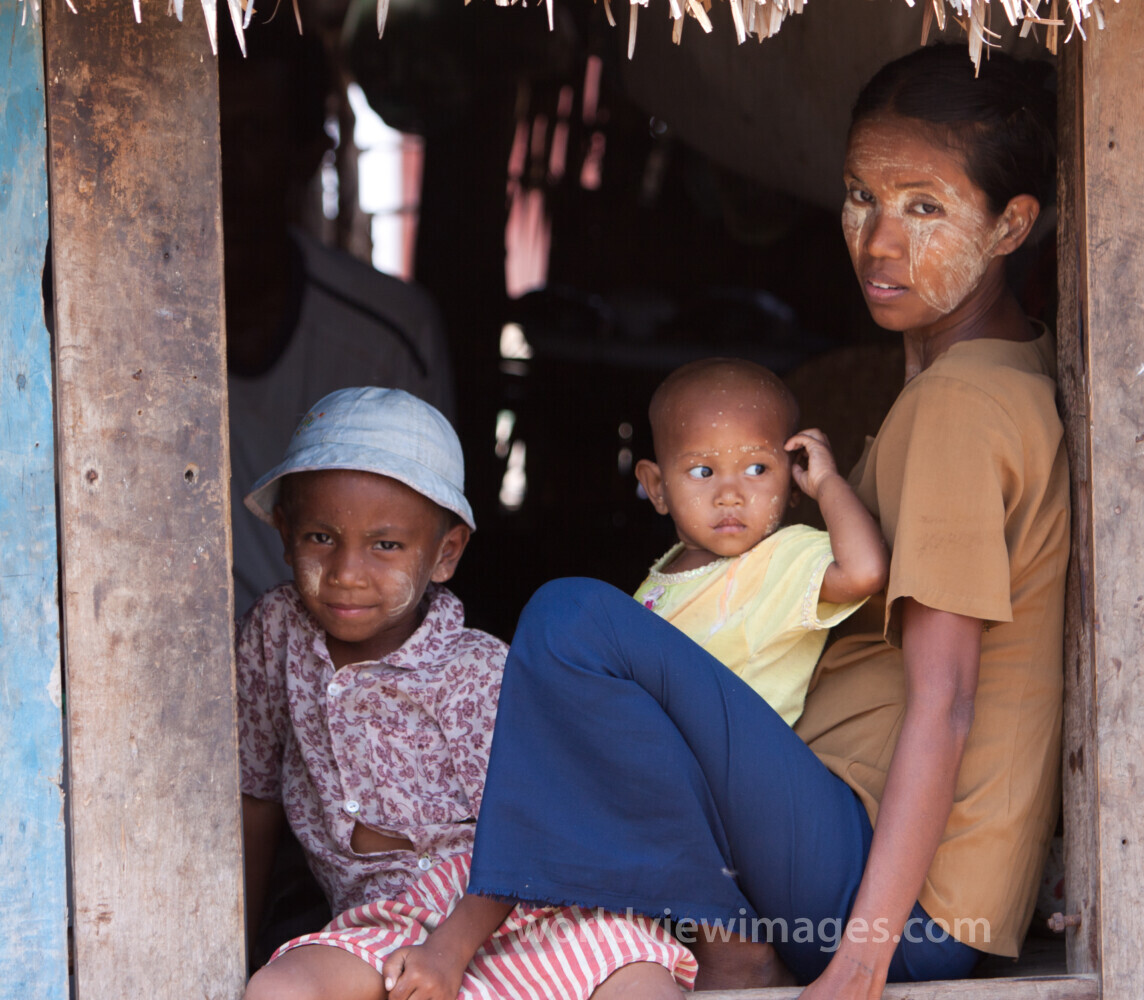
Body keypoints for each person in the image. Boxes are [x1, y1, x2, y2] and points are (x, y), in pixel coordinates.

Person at [391, 41, 1066, 1000]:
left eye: (925, 207)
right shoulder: (991, 370)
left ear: (1009, 226)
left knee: (574, 622)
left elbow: (949, 699)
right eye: (861, 195)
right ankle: (714, 928)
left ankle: (559, 924)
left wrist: (861, 965)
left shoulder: (963, 411)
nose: (878, 240)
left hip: (895, 907)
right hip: (848, 857)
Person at [238, 387, 695, 1000]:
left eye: (386, 545)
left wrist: (449, 954)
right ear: (284, 530)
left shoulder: (478, 672)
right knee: (275, 993)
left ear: (445, 554)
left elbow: (531, 830)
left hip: (523, 906)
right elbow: (257, 794)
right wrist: (234, 939)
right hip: (386, 919)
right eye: (321, 538)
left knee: (640, 982)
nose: (347, 571)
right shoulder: (276, 632)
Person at [220, 18, 456, 618]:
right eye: (203, 130)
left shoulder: (388, 333)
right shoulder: (92, 324)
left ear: (306, 153)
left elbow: (415, 541)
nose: (219, 163)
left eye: (251, 132)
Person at [632, 358, 887, 725]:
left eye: (757, 469)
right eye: (703, 471)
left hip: (724, 767)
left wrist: (827, 481)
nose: (730, 494)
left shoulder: (781, 560)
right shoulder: (667, 568)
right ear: (658, 488)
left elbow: (865, 572)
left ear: (792, 479)